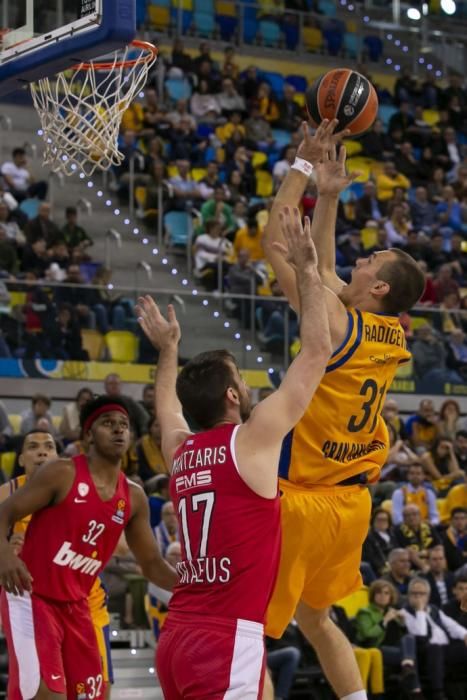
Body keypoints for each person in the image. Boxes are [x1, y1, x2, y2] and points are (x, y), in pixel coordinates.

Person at [134, 205, 332, 699]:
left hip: (179, 635)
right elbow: (316, 353)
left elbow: (166, 409)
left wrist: (167, 350)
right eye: (240, 381)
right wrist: (307, 269)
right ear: (230, 396)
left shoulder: (180, 452)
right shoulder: (252, 439)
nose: (245, 387)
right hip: (225, 637)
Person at [262, 119, 426, 700]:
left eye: (372, 260)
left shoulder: (334, 321)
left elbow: (277, 245)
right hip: (351, 503)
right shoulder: (385, 335)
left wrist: (303, 168)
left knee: (247, 624)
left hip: (301, 500)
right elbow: (330, 275)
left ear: (379, 288)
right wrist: (329, 198)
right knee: (315, 620)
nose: (362, 260)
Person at [0, 395, 177, 700]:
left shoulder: (134, 498)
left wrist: (198, 587)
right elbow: (4, 513)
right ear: (87, 435)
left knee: (92, 695)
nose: (119, 430)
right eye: (108, 424)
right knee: (47, 695)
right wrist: (4, 557)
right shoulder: (62, 473)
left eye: (124, 425)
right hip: (32, 596)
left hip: (77, 605)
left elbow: (151, 565)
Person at [0, 430, 115, 698]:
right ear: (21, 459)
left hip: (84, 600)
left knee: (98, 689)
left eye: (49, 447)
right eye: (33, 447)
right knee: (39, 688)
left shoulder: (79, 488)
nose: (41, 452)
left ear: (58, 458)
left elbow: (117, 543)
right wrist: (6, 551)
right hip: (35, 600)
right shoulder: (10, 492)